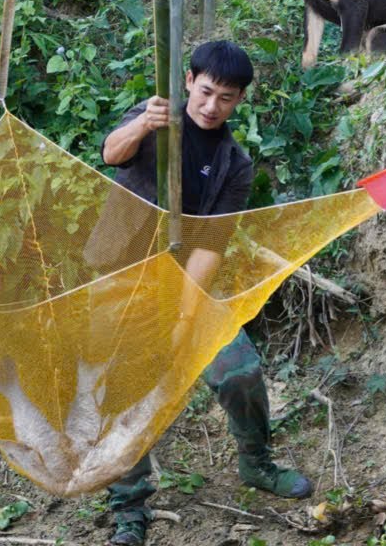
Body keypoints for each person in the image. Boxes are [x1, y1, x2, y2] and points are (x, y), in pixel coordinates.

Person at [98, 40, 313, 546]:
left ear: (240, 101)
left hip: (187, 281)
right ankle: (129, 509)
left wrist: (184, 319)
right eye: (207, 92)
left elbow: (211, 247)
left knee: (240, 369)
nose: (212, 107)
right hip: (122, 277)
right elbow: (111, 153)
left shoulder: (235, 164)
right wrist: (142, 126)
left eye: (227, 98)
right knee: (126, 391)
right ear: (189, 80)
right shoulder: (155, 117)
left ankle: (256, 464)